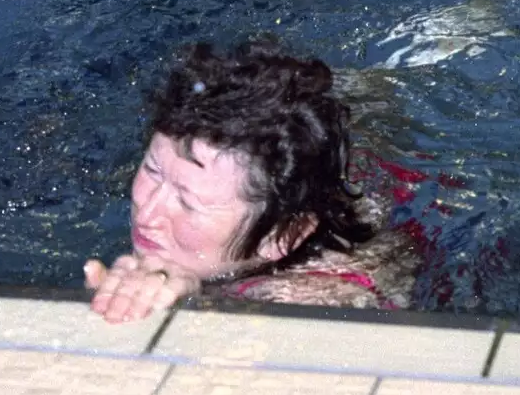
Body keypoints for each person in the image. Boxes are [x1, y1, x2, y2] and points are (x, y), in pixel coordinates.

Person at [85, 40, 420, 323]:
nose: (146, 212)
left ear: (278, 238)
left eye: (188, 202)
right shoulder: (220, 185)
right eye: (153, 172)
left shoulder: (323, 298)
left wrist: (197, 305)